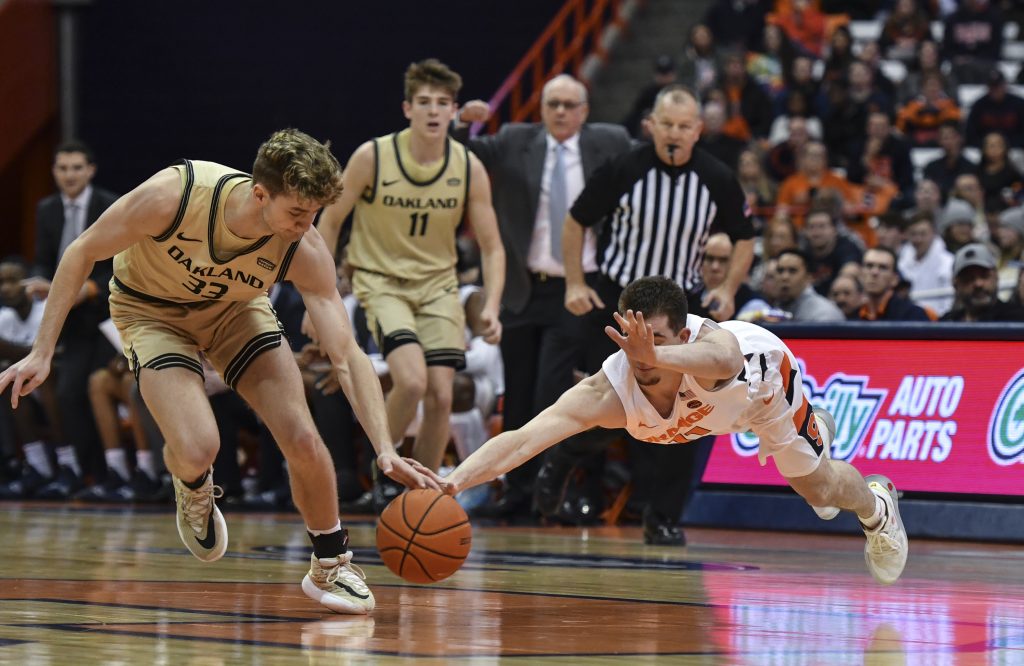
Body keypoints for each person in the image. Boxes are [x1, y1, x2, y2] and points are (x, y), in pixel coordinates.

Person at [0, 129, 441, 615]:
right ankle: (191, 485)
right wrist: (42, 351)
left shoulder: (303, 244)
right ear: (259, 193)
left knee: (302, 437)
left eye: (313, 214)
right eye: (296, 212)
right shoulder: (176, 194)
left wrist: (383, 447)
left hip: (234, 311)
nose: (305, 224)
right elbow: (81, 251)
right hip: (152, 313)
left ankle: (331, 566)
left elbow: (347, 354)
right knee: (197, 448)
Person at [441, 276, 909, 586]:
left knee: (821, 492)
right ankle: (817, 432)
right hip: (716, 415)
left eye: (655, 341)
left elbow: (725, 360)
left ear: (683, 339)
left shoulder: (712, 349)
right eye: (630, 338)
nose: (638, 353)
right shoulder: (609, 388)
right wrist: (452, 484)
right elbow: (523, 439)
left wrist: (653, 356)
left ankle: (878, 508)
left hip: (764, 391)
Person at [554, 85, 755, 543]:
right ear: (651, 126)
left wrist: (727, 288)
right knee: (603, 404)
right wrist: (574, 282)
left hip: (679, 309)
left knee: (688, 411)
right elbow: (575, 220)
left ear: (698, 131)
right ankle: (569, 470)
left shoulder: (717, 177)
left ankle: (661, 515)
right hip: (619, 300)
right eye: (667, 125)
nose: (675, 134)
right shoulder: (624, 169)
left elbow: (745, 234)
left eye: (685, 127)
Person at [452, 73, 631, 520]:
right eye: (553, 104)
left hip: (577, 286)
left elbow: (643, 172)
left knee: (554, 392)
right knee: (518, 394)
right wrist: (461, 125)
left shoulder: (609, 142)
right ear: (542, 108)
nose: (561, 112)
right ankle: (517, 489)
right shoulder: (516, 139)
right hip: (521, 286)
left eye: (571, 105)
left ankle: (549, 490)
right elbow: (465, 155)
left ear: (585, 112)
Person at [317, 59, 505, 475]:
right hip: (382, 282)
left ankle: (421, 494)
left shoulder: (467, 167)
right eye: (424, 102)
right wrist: (321, 294)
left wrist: (491, 304)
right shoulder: (374, 156)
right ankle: (382, 462)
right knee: (413, 380)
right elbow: (329, 221)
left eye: (442, 103)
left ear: (454, 110)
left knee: (441, 394)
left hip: (438, 286)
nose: (434, 111)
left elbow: (492, 246)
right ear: (407, 109)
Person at [25, 140, 120, 496]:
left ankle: (109, 473)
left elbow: (121, 265)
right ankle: (82, 471)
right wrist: (38, 282)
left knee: (90, 387)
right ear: (54, 172)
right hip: (68, 318)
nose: (69, 175)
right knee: (66, 393)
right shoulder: (47, 209)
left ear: (90, 170)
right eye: (63, 168)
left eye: (76, 168)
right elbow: (43, 259)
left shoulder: (109, 204)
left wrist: (89, 290)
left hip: (106, 318)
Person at [940, 243, 1024, 322]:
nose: (978, 284)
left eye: (985, 276)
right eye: (968, 278)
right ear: (955, 284)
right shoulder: (946, 324)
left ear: (996, 277)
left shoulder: (1017, 319)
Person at [897, 212, 955, 315]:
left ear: (933, 234)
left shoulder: (949, 263)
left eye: (923, 234)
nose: (918, 239)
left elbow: (949, 303)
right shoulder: (901, 263)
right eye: (913, 234)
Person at [857, 247, 932, 321]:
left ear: (894, 279)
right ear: (860, 274)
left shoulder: (913, 316)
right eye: (869, 266)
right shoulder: (851, 314)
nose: (874, 272)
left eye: (883, 267)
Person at [771, 248, 845, 322]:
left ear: (808, 277)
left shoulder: (824, 315)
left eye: (792, 271)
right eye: (780, 271)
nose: (784, 277)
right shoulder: (772, 309)